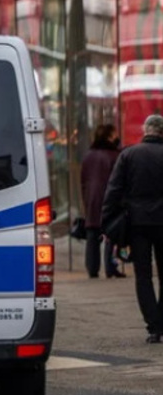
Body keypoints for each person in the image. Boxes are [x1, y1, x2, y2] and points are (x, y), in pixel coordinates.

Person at [102, 114, 163, 343]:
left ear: (145, 130)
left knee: (143, 275)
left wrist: (106, 222)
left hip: (137, 223)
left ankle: (153, 327)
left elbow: (114, 190)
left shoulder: (128, 155)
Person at [81, 124, 123, 279]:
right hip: (109, 198)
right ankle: (110, 267)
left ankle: (92, 268)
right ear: (108, 137)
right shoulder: (114, 155)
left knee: (92, 234)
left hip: (92, 198)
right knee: (111, 233)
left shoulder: (88, 156)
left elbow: (83, 180)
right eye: (114, 135)